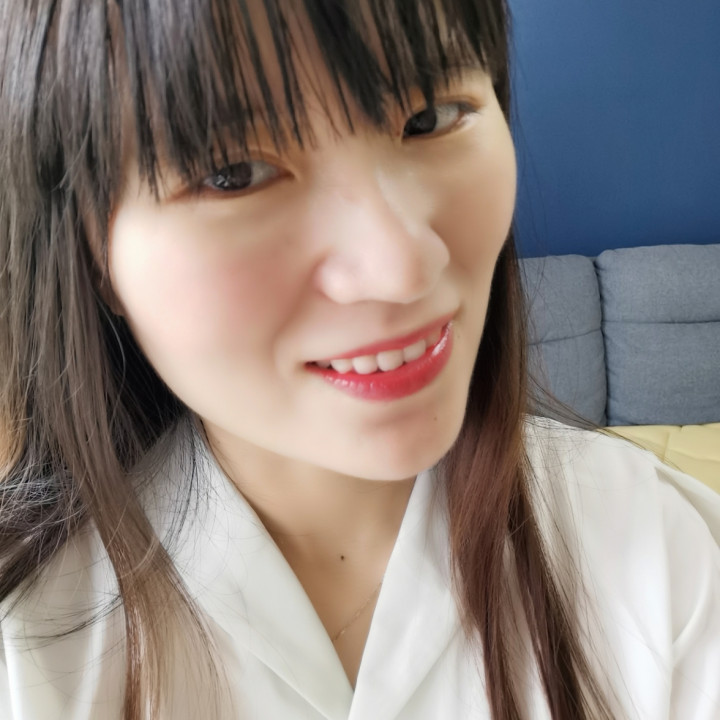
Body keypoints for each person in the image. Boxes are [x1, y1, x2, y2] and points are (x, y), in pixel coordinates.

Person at [1, 1, 718, 718]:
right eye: (235, 173)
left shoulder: (668, 556)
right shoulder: (27, 641)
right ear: (94, 252)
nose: (403, 267)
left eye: (430, 118)